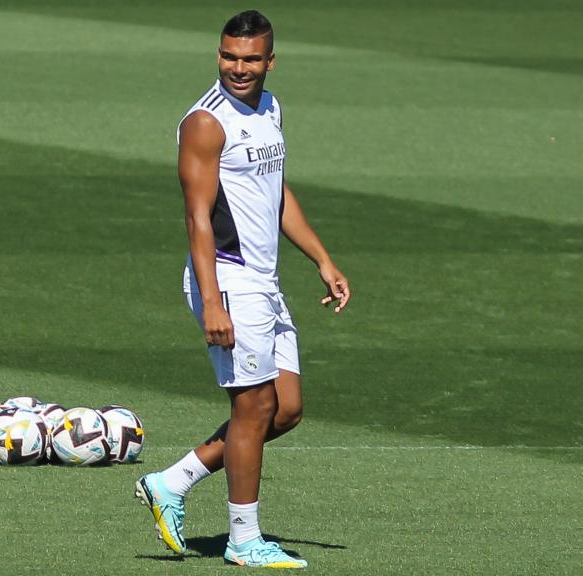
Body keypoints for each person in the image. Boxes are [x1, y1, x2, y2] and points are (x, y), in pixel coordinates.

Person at [135, 10, 350, 569]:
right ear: (218, 55)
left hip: (265, 281)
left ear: (270, 61)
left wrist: (322, 260)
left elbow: (277, 195)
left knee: (286, 410)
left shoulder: (271, 107)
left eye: (251, 59)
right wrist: (211, 300)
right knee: (253, 406)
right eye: (230, 56)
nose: (239, 67)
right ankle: (243, 540)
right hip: (228, 279)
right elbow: (197, 219)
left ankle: (170, 482)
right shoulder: (206, 123)